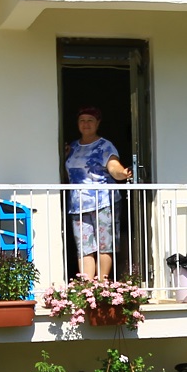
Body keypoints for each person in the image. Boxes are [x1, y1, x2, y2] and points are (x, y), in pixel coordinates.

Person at [64, 108, 131, 279]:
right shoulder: (71, 147)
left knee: (104, 244)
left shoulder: (105, 145)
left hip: (104, 201)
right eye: (82, 120)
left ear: (98, 123)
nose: (86, 124)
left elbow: (113, 166)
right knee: (84, 246)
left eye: (90, 120)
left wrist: (122, 173)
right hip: (78, 203)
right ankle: (87, 288)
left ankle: (102, 286)